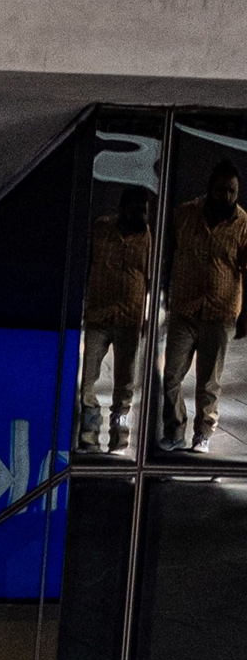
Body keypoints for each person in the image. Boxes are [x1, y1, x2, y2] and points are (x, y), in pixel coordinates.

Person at [160, 159, 247, 452]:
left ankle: (203, 433)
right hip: (185, 308)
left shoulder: (243, 224)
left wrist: (245, 314)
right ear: (210, 188)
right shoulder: (185, 214)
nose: (227, 196)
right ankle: (174, 430)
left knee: (208, 382)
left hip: (220, 312)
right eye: (221, 189)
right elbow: (167, 253)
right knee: (171, 375)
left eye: (232, 191)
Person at [79, 186, 152, 452]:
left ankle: (120, 438)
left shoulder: (149, 239)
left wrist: (147, 317)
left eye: (145, 211)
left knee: (125, 385)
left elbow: (151, 281)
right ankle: (88, 436)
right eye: (137, 209)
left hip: (129, 319)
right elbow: (87, 263)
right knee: (87, 380)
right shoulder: (101, 229)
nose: (142, 215)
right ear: (123, 208)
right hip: (98, 315)